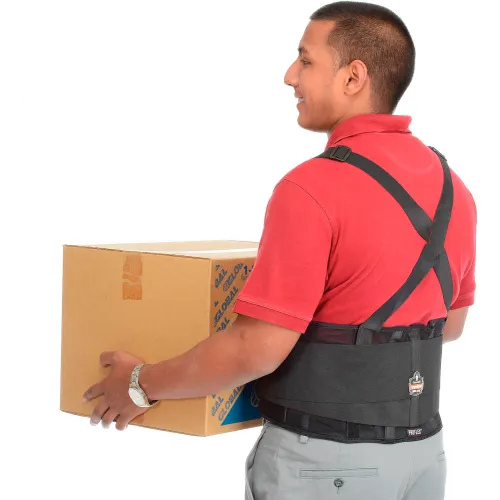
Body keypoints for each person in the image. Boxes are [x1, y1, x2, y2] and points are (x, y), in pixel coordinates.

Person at [82, 2, 476, 499]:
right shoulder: (454, 189)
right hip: (424, 458)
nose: (290, 76)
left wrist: (140, 384)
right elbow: (449, 326)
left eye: (306, 60)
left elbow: (256, 350)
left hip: (326, 467)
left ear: (353, 77)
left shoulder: (313, 187)